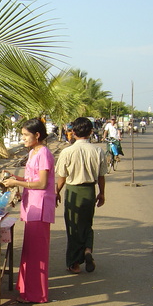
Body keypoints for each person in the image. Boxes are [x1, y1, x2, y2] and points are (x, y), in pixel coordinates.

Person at [2, 118, 56, 304]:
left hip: (40, 207)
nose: (23, 138)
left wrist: (17, 182)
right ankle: (26, 290)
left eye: (26, 135)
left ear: (37, 135)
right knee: (30, 251)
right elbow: (30, 178)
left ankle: (36, 294)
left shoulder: (44, 153)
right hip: (32, 206)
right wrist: (14, 177)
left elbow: (41, 183)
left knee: (37, 254)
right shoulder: (34, 152)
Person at [55, 117, 107, 274]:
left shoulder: (67, 152)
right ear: (91, 132)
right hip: (90, 191)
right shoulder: (98, 151)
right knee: (87, 224)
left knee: (73, 227)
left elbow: (62, 177)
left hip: (73, 191)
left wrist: (56, 192)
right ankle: (88, 250)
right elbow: (101, 176)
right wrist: (102, 193)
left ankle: (74, 263)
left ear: (73, 132)